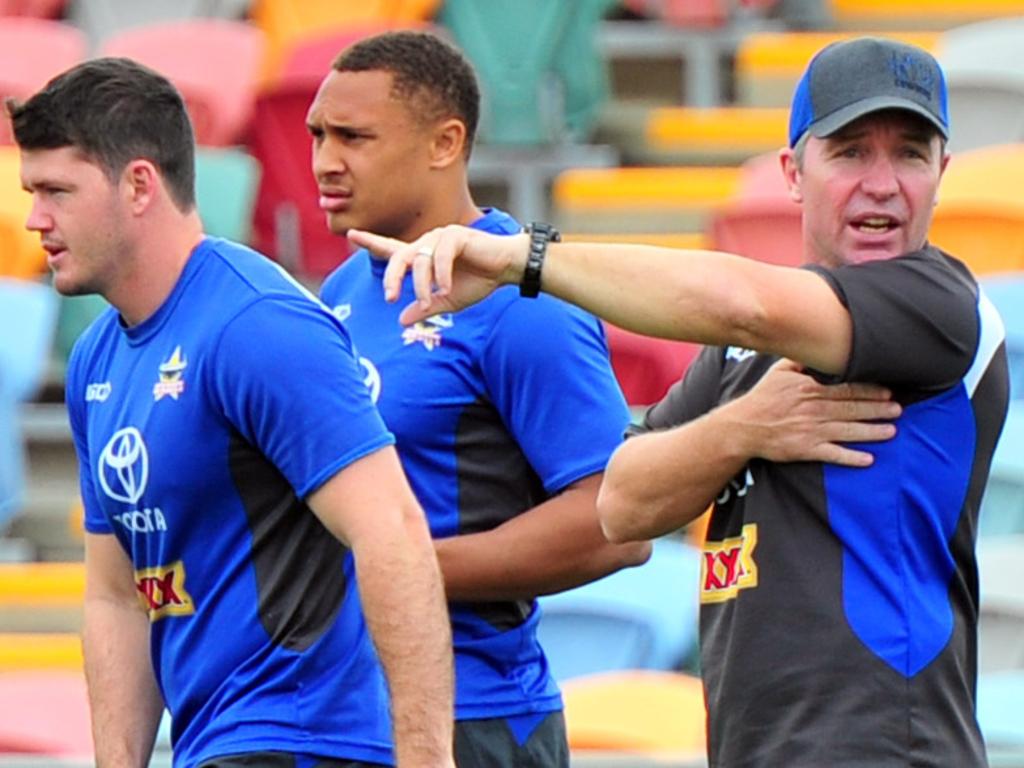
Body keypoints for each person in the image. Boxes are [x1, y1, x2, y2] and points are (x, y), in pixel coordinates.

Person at [352, 36, 1009, 767]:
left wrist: (523, 259)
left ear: (942, 174)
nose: (883, 183)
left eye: (911, 154)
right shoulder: (739, 358)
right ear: (794, 173)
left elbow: (743, 303)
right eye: (851, 152)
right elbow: (623, 506)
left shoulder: (941, 305)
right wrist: (744, 429)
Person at [8, 58, 455, 768]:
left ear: (139, 186)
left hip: (306, 742)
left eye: (56, 190)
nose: (34, 218)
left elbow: (393, 531)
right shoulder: (96, 358)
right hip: (211, 746)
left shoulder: (258, 325)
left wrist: (427, 759)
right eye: (32, 191)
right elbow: (118, 596)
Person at [306, 30, 652, 767]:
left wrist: (404, 568)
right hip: (350, 711)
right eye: (317, 135)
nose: (324, 161)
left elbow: (617, 525)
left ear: (445, 143)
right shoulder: (335, 295)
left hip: (479, 717)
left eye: (353, 137)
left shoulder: (526, 300)